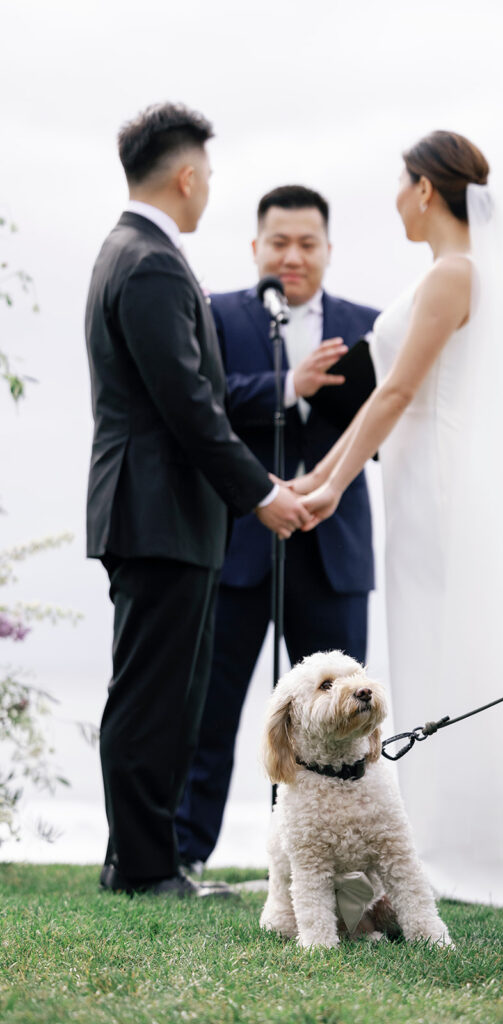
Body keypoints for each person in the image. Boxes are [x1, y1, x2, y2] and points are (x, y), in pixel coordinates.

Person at [294, 130, 503, 903]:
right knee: (424, 644)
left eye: (399, 185)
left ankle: (461, 833)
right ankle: (434, 824)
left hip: (440, 491)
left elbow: (395, 393)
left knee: (449, 643)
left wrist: (331, 486)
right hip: (415, 487)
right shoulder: (447, 273)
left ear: (423, 188)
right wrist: (320, 477)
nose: (393, 203)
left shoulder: (454, 274)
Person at [85, 103, 310, 897]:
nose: (208, 187)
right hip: (156, 511)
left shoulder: (136, 252)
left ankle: (141, 861)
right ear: (186, 176)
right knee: (151, 695)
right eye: (207, 174)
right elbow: (187, 403)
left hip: (166, 512)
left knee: (165, 691)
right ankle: (144, 869)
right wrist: (260, 495)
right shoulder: (146, 261)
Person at [175, 185, 379, 874]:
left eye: (307, 243)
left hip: (334, 552)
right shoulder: (216, 314)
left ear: (328, 248)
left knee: (342, 722)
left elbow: (385, 429)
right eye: (278, 243)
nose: (292, 256)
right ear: (255, 247)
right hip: (236, 545)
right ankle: (184, 854)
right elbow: (200, 400)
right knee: (211, 710)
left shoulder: (367, 325)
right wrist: (287, 384)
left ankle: (330, 866)